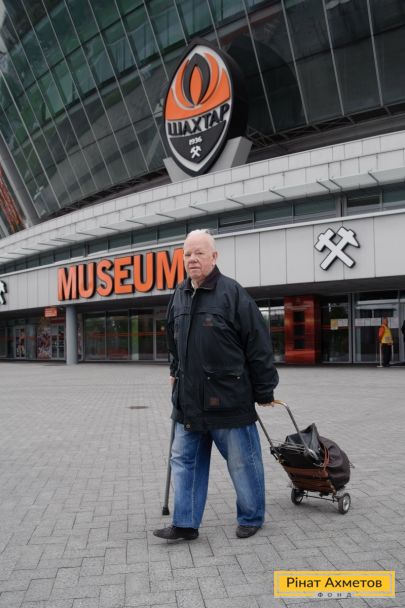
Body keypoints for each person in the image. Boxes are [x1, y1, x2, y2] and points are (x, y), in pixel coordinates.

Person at [153, 229, 279, 542]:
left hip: (228, 398)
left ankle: (251, 516)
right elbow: (172, 341)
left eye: (199, 253)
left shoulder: (232, 293)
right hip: (189, 401)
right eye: (187, 254)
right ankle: (185, 523)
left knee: (242, 463)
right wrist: (174, 370)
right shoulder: (179, 294)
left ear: (214, 256)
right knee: (184, 462)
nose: (192, 259)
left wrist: (264, 389)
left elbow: (258, 344)